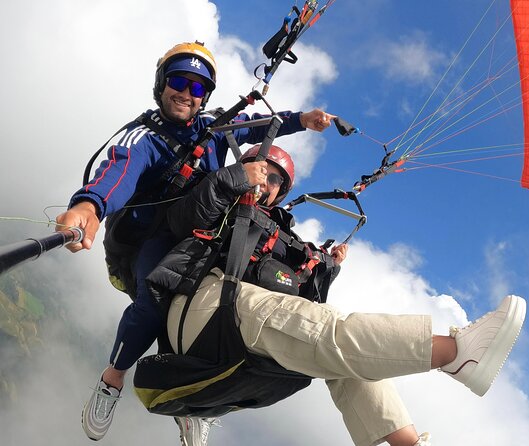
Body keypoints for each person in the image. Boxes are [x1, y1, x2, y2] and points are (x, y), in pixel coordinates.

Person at [140, 144, 526, 446]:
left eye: (276, 180)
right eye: (261, 170)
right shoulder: (221, 198)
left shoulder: (282, 235)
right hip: (202, 309)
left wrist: (327, 268)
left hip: (240, 329)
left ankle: (406, 442)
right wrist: (232, 178)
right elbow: (185, 220)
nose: (266, 182)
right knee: (324, 328)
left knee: (340, 357)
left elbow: (303, 300)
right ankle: (454, 353)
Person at [54, 41, 334, 443]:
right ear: (162, 84)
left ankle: (192, 405)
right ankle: (112, 378)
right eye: (179, 81)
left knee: (227, 300)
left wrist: (302, 119)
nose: (186, 92)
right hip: (152, 237)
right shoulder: (145, 138)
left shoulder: (214, 130)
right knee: (156, 300)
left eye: (197, 87)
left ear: (206, 96)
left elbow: (257, 124)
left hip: (199, 231)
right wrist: (88, 206)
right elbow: (119, 170)